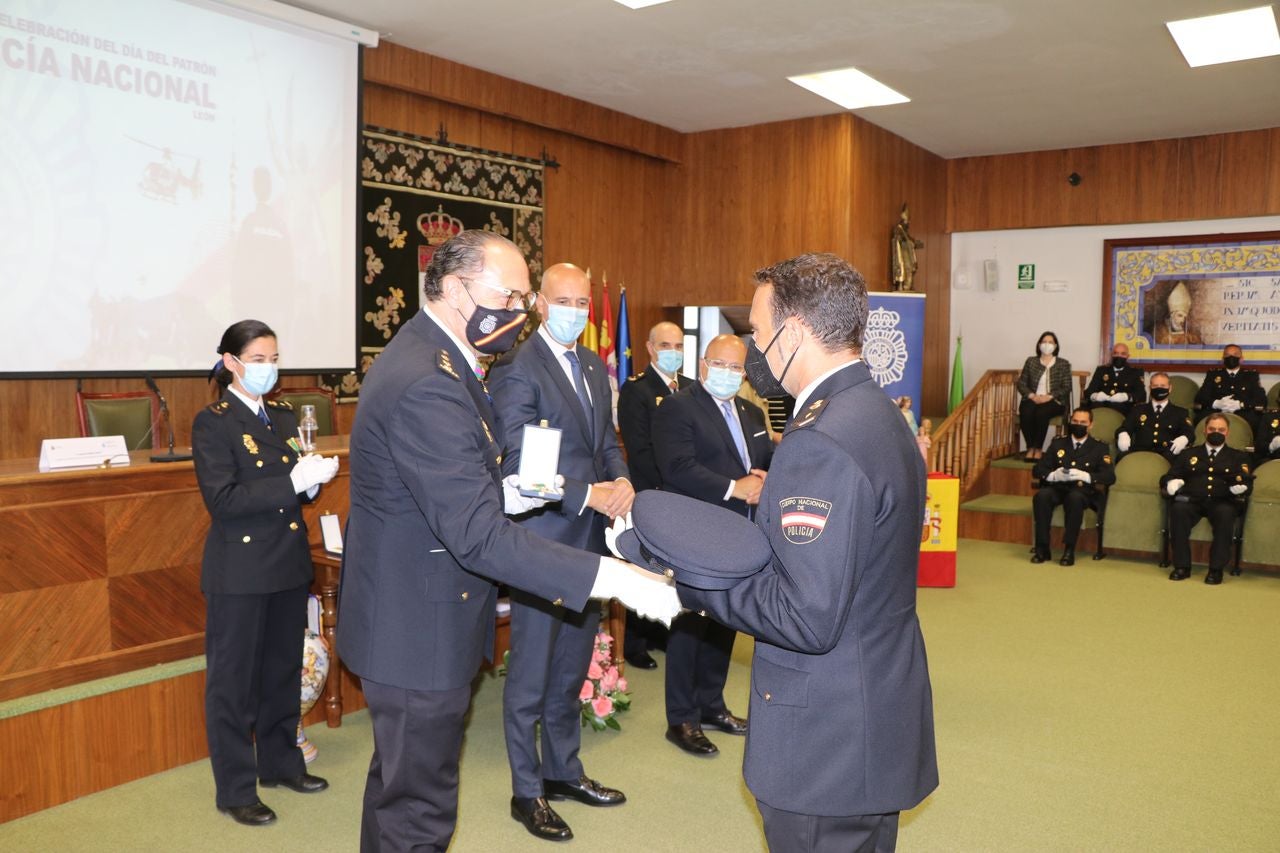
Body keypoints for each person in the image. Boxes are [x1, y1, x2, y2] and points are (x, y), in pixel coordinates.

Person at [336, 231, 680, 853]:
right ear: (451, 287)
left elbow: (458, 488)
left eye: (525, 298)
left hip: (419, 615)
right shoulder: (427, 379)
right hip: (416, 628)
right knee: (420, 809)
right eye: (511, 295)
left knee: (403, 788)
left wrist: (512, 493)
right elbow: (476, 535)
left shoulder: (445, 359)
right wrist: (613, 578)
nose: (520, 313)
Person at [673, 253, 937, 852]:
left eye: (759, 334)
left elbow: (804, 614)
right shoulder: (882, 414)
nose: (755, 351)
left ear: (794, 333)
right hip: (874, 709)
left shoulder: (818, 441)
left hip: (825, 735)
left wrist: (687, 580)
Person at [487, 262, 634, 842]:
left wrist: (621, 482)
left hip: (592, 542)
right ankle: (528, 793)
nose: (575, 310)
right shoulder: (517, 369)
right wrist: (588, 494)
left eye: (583, 302)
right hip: (542, 541)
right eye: (563, 300)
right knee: (529, 675)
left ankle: (564, 771)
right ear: (541, 305)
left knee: (571, 667)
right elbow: (522, 466)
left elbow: (605, 443)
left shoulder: (595, 366)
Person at [191, 319, 340, 827]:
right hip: (240, 569)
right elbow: (224, 500)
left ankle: (281, 764)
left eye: (273, 358)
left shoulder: (281, 415)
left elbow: (292, 487)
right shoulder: (214, 421)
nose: (268, 368)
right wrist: (292, 481)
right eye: (257, 359)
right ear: (231, 363)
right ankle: (235, 788)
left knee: (281, 672)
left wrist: (310, 483)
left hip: (286, 561)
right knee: (233, 685)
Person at [652, 334, 773, 757]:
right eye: (720, 365)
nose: (728, 374)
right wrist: (734, 488)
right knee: (690, 625)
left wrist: (764, 481)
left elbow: (763, 463)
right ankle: (681, 718)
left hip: (740, 535)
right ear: (703, 366)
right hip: (694, 533)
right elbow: (677, 467)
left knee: (725, 622)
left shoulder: (751, 411)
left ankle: (712, 705)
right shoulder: (678, 407)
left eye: (736, 368)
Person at [615, 320, 691, 669]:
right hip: (655, 492)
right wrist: (667, 490)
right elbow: (639, 449)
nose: (673, 352)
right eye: (665, 346)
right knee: (646, 567)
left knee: (675, 570)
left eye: (678, 346)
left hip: (687, 497)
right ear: (649, 348)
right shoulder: (637, 390)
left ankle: (663, 633)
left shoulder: (691, 388)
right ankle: (635, 642)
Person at [1160, 413, 1253, 584]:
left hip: (1222, 501)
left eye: (1221, 429)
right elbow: (1168, 476)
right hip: (1192, 501)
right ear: (1204, 431)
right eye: (1212, 429)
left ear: (1227, 433)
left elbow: (1247, 482)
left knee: (1226, 514)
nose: (1216, 432)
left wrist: (1238, 489)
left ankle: (1216, 569)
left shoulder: (1238, 457)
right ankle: (1182, 566)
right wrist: (1172, 482)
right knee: (1178, 510)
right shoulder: (1189, 454)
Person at [1030, 408, 1115, 566]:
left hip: (1083, 491)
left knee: (1074, 498)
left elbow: (1109, 476)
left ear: (1090, 425)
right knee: (1041, 497)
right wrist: (1053, 475)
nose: (1078, 425)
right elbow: (1038, 469)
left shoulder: (1099, 447)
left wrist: (1086, 476)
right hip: (1059, 487)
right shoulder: (1058, 444)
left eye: (1083, 422)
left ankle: (1069, 549)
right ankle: (1042, 547)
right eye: (1075, 421)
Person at [1015, 331, 1073, 461]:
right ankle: (1031, 447)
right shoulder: (1031, 362)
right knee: (1026, 411)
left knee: (1042, 413)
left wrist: (1049, 396)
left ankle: (1039, 448)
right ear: (1039, 344)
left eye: (1050, 342)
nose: (1047, 344)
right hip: (1032, 398)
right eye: (1044, 342)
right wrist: (1031, 395)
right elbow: (1021, 383)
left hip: (1054, 401)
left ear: (1056, 346)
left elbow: (1066, 387)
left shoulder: (1063, 363)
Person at [1115, 373, 1194, 461]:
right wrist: (1123, 434)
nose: (1159, 388)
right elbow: (1124, 427)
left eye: (1163, 386)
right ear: (1150, 388)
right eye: (1155, 386)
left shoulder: (1180, 412)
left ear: (1170, 388)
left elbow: (1190, 433)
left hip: (1167, 456)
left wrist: (1184, 438)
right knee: (1121, 457)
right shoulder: (1138, 410)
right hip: (1140, 454)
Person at [1194, 344, 1266, 434]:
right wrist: (1216, 403)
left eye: (1235, 355)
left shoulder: (1251, 375)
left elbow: (1261, 399)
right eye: (1227, 355)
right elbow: (1200, 397)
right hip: (1216, 412)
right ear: (1222, 359)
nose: (1231, 357)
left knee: (1256, 421)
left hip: (1243, 413)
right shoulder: (1213, 374)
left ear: (1241, 359)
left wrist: (1241, 405)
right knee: (1200, 418)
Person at [1084, 342, 1145, 416]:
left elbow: (1141, 394)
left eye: (1123, 354)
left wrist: (1127, 396)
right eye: (1116, 353)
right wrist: (1095, 396)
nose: (1119, 356)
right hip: (1100, 407)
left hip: (1123, 409)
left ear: (1128, 356)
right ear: (1112, 355)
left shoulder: (1135, 372)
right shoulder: (1102, 370)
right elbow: (1089, 391)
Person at [890, 203, 924, 292]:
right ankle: (905, 286)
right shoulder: (899, 228)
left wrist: (914, 243)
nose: (908, 222)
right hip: (903, 252)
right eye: (906, 220)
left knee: (911, 268)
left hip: (908, 252)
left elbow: (908, 239)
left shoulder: (904, 230)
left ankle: (908, 286)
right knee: (906, 268)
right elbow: (899, 239)